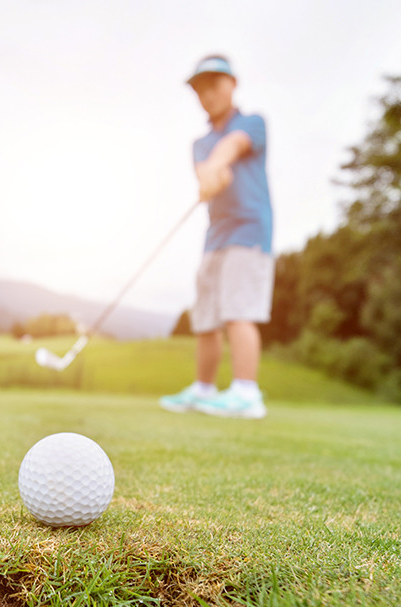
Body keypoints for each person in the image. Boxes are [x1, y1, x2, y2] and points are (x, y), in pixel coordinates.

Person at [159, 54, 274, 420]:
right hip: (215, 236)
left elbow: (232, 147)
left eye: (214, 84)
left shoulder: (253, 123)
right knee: (206, 317)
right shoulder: (200, 143)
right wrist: (210, 173)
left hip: (250, 230)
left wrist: (217, 166)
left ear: (232, 84)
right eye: (200, 88)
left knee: (238, 310)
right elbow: (207, 171)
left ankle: (245, 393)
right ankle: (204, 390)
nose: (207, 93)